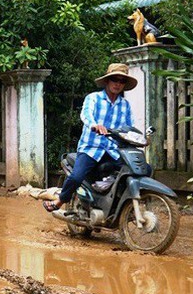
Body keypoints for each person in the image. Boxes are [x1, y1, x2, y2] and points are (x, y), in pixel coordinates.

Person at [43, 63, 137, 212]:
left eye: (122, 81)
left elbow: (130, 127)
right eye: (114, 79)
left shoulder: (125, 105)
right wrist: (94, 125)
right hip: (91, 148)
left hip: (113, 150)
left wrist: (138, 137)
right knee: (76, 177)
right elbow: (86, 115)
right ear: (107, 81)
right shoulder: (93, 98)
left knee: (137, 170)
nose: (118, 84)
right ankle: (60, 200)